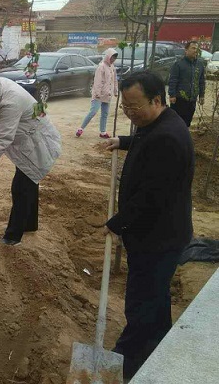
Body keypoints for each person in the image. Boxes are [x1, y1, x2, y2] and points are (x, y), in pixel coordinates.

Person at [104, 71, 194, 380]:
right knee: (155, 299)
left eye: (133, 106)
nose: (128, 113)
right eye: (124, 106)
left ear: (156, 100)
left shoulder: (168, 137)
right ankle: (163, 348)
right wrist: (124, 141)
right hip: (159, 235)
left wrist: (116, 224)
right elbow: (145, 141)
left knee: (141, 304)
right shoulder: (156, 123)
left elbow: (151, 197)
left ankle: (125, 364)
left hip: (158, 239)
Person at [0, 70, 61, 246]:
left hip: (37, 140)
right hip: (25, 139)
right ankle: (29, 224)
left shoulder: (10, 101)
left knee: (21, 187)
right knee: (29, 180)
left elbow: (2, 141)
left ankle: (13, 237)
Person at [76, 48, 119, 138]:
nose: (113, 59)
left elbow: (114, 80)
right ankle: (81, 129)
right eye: (112, 57)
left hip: (108, 94)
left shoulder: (112, 67)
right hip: (99, 94)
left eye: (115, 58)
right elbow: (98, 81)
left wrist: (115, 91)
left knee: (105, 113)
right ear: (108, 56)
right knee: (93, 112)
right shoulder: (101, 66)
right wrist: (97, 93)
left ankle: (102, 132)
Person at [168, 40, 206, 127]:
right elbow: (173, 80)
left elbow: (201, 81)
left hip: (192, 100)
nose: (195, 50)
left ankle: (183, 139)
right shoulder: (178, 64)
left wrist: (202, 95)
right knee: (175, 123)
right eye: (193, 48)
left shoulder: (200, 65)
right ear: (186, 50)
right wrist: (172, 95)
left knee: (186, 123)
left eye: (196, 48)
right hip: (179, 100)